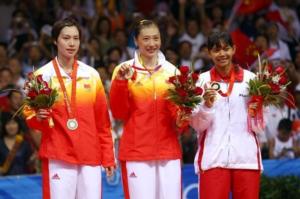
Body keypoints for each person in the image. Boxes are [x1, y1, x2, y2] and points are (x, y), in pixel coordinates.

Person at [23, 17, 115, 199]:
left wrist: (108, 155)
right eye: (66, 38)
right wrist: (38, 117)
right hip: (59, 155)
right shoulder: (41, 76)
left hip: (90, 156)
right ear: (55, 40)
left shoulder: (91, 75)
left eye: (76, 38)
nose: (71, 43)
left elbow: (103, 123)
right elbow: (30, 117)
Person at [109, 19, 182, 199]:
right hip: (137, 152)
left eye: (156, 38)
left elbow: (179, 119)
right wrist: (120, 82)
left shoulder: (173, 72)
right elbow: (118, 113)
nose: (152, 44)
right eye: (146, 39)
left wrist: (184, 119)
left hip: (168, 152)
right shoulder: (123, 70)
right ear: (136, 41)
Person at [191, 31, 262, 199]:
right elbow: (196, 125)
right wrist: (206, 107)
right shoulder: (202, 81)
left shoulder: (251, 80)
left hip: (246, 158)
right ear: (209, 53)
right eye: (216, 50)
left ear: (234, 49)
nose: (222, 54)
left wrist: (258, 110)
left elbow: (259, 126)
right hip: (213, 159)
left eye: (226, 49)